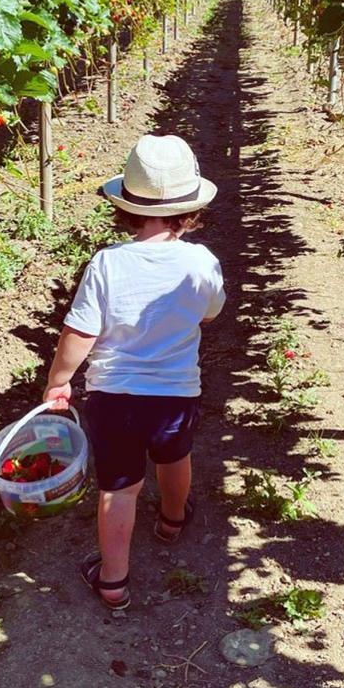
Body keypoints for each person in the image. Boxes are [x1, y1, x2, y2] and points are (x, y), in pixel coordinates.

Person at [41, 134, 224, 609]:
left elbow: (79, 334)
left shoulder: (106, 264)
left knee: (118, 486)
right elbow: (209, 313)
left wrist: (59, 381)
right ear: (191, 209)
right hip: (176, 394)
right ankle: (171, 521)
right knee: (174, 457)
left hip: (114, 398)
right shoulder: (202, 264)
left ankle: (113, 580)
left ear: (126, 206)